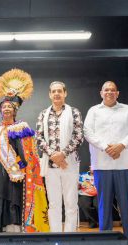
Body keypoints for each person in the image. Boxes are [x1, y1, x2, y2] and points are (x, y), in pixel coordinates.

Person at [0, 69, 49, 233]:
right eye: (4, 107)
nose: (6, 109)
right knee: (0, 196)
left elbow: (28, 152)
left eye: (9, 107)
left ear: (15, 110)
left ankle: (16, 227)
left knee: (14, 197)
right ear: (0, 110)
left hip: (18, 171)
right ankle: (0, 227)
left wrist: (23, 168)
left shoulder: (22, 128)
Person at [83, 81, 128, 245]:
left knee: (126, 204)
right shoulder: (93, 111)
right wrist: (106, 146)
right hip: (102, 163)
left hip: (124, 163)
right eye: (106, 90)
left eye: (113, 90)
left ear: (118, 93)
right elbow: (88, 132)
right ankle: (105, 239)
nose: (109, 92)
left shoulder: (127, 109)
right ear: (101, 93)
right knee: (104, 203)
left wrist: (121, 145)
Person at [36, 81, 84, 232]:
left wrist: (62, 154)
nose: (57, 94)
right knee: (54, 203)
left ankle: (70, 236)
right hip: (50, 166)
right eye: (54, 91)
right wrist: (53, 155)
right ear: (50, 94)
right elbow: (39, 138)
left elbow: (79, 136)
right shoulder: (43, 114)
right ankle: (55, 235)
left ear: (65, 93)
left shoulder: (74, 112)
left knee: (71, 203)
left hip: (69, 164)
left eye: (59, 91)